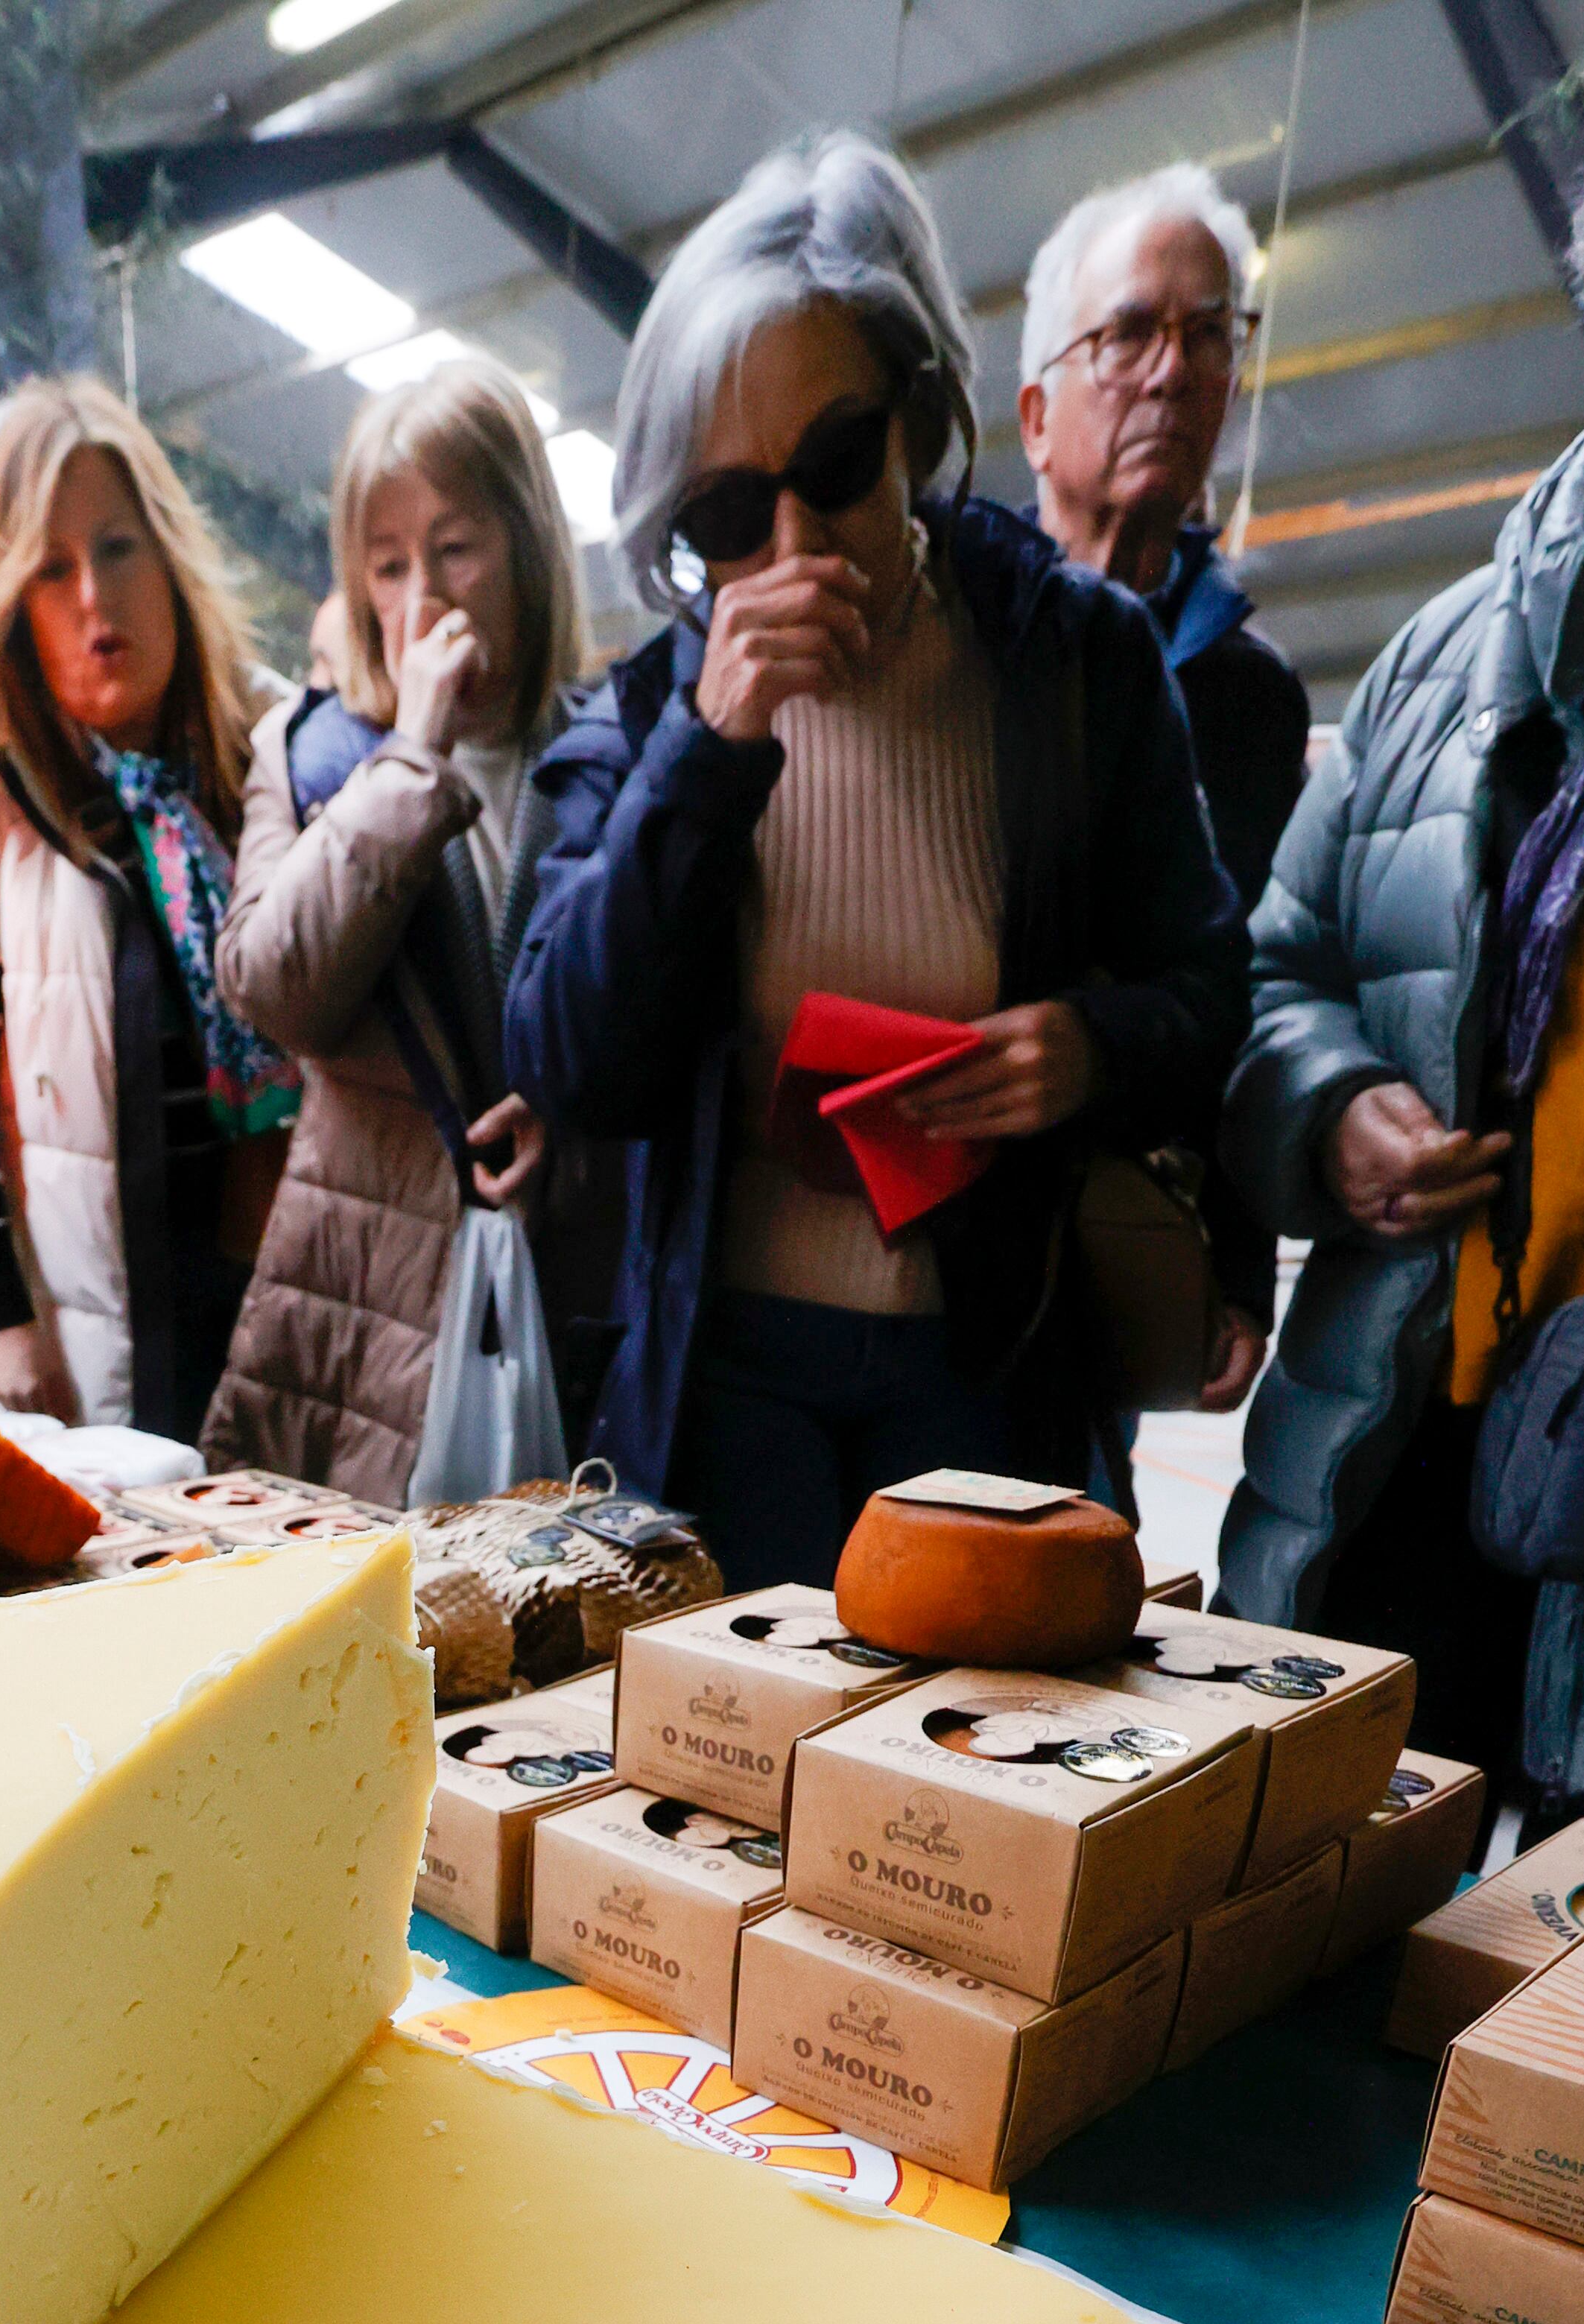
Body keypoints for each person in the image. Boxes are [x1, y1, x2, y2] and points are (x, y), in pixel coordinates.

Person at [506, 135, 1249, 1594]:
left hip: (987, 1371)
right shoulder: (656, 706)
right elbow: (569, 1058)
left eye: (836, 468)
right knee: (734, 1806)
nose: (790, 546)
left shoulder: (1075, 658)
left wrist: (1085, 1052)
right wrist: (713, 749)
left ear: (917, 418)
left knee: (965, 1794)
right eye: (724, 518)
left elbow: (1213, 994)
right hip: (723, 1389)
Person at [1222, 0, 1584, 1823]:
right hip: (1397, 1460)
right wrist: (1329, 1108)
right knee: (1307, 1977)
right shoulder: (1454, 659)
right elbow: (1275, 972)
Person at [201, 357, 598, 1501]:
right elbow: (277, 991)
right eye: (389, 565)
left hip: (574, 1302)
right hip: (366, 1317)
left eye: (457, 548)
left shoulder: (612, 748)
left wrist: (577, 1106)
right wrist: (412, 759)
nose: (423, 594)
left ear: (526, 545)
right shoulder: (314, 752)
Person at [0, 376, 291, 1443]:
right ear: (12, 601)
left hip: (275, 1280)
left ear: (169, 554)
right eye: (51, 567)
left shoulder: (265, 756)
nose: (92, 599)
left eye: (117, 549)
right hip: (94, 1322)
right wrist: (8, 1318)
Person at [1018, 161, 1311, 1407]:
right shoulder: (951, 644)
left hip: (1113, 1264)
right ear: (1033, 414)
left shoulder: (1248, 703)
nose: (1174, 368)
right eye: (1129, 330)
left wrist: (1232, 1264)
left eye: (1207, 334)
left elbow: (1245, 987)